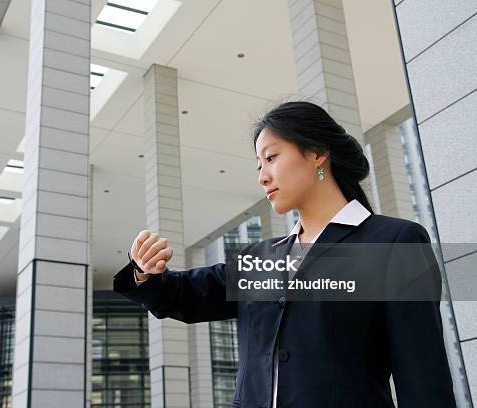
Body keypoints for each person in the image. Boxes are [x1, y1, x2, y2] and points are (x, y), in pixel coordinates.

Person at [112, 101, 456, 407]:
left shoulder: (392, 242)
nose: (263, 177)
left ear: (317, 153)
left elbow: (422, 375)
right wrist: (145, 269)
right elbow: (182, 295)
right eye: (258, 165)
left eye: (272, 157)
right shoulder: (261, 257)